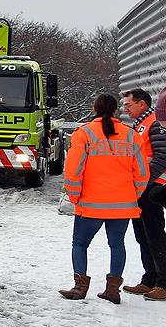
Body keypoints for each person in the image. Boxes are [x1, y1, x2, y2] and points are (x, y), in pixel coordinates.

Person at [59, 93, 148, 304]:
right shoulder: (132, 135)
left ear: (94, 109)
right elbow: (142, 174)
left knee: (80, 244)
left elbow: (73, 171)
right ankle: (112, 290)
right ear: (116, 110)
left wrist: (74, 195)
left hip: (90, 204)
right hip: (122, 205)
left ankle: (80, 287)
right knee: (117, 245)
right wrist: (132, 195)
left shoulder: (84, 133)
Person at [123, 88, 166, 301]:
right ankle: (149, 279)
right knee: (142, 236)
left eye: (128, 105)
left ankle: (163, 284)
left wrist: (144, 182)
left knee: (155, 236)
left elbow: (162, 156)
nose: (125, 109)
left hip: (152, 188)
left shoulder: (155, 123)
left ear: (142, 104)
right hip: (141, 188)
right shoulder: (141, 124)